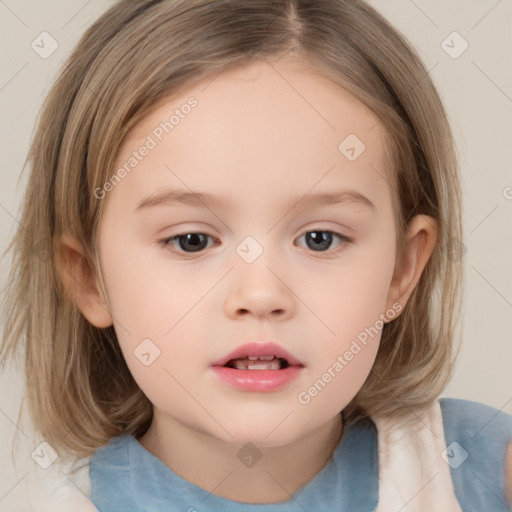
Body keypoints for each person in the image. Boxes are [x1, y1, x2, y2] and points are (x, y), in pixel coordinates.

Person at [1, 0, 511, 510]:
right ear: (90, 278)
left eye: (320, 239)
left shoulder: (479, 469)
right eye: (191, 240)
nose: (261, 294)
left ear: (402, 270)